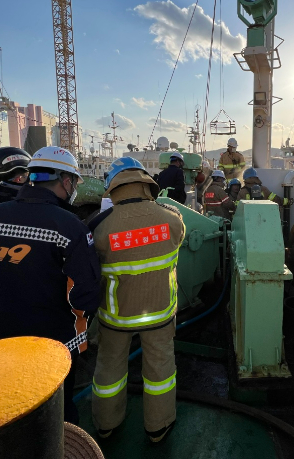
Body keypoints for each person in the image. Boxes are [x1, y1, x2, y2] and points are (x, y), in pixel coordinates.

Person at [0, 146, 101, 424]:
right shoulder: (70, 227)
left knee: (9, 400)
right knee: (56, 409)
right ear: (66, 181)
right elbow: (85, 293)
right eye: (73, 182)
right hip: (53, 342)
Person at [89, 157, 185, 444]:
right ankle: (158, 426)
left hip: (116, 316)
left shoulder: (100, 227)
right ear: (146, 185)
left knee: (109, 369)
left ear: (113, 188)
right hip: (158, 313)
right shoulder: (171, 219)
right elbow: (177, 240)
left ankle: (106, 424)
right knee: (160, 371)